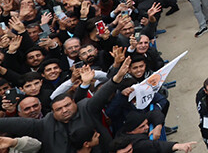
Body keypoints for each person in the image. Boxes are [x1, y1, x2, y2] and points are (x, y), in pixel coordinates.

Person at [0, 57, 131, 153]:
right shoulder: (44, 124)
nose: (64, 110)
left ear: (74, 103)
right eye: (59, 109)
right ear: (52, 112)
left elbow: (101, 96)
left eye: (67, 105)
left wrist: (116, 79)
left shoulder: (86, 108)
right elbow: (11, 123)